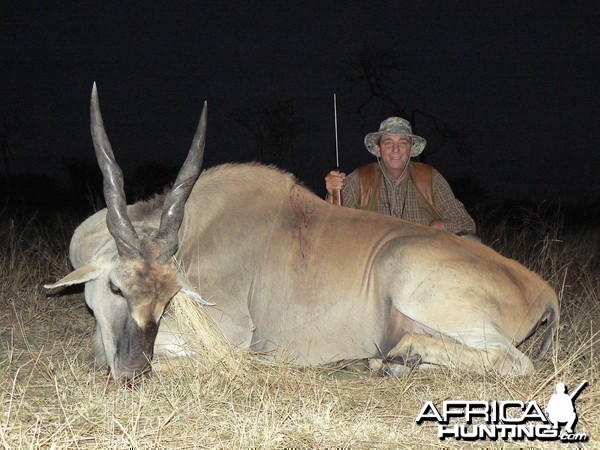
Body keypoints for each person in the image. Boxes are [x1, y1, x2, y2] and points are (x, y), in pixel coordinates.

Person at [325, 117, 477, 236]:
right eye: (388, 143)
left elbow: (467, 223)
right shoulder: (360, 179)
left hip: (423, 259)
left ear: (412, 148)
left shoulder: (430, 178)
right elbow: (332, 224)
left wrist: (439, 226)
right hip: (373, 263)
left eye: (403, 143)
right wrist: (332, 196)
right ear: (378, 149)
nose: (395, 150)